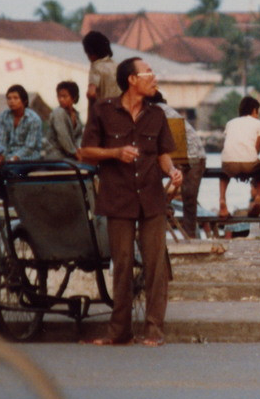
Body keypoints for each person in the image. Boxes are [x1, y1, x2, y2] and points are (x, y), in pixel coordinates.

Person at [81, 57, 182, 346]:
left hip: (151, 198)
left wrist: (173, 172)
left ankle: (154, 330)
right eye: (148, 73)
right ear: (131, 80)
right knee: (122, 264)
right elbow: (86, 151)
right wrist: (115, 153)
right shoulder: (102, 110)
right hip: (118, 198)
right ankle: (119, 332)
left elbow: (163, 155)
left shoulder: (157, 115)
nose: (154, 78)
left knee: (156, 265)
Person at [147, 90, 207, 238]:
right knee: (189, 200)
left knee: (188, 198)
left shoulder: (156, 111)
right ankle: (190, 236)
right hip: (193, 156)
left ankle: (161, 232)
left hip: (189, 156)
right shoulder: (164, 109)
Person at [219, 96, 260, 220]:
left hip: (229, 162)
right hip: (249, 163)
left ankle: (222, 201)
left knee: (223, 174)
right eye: (257, 111)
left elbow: (229, 144)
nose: (258, 115)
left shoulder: (230, 123)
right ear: (254, 110)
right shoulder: (259, 124)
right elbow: (256, 150)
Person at [82, 31, 121, 117]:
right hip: (119, 113)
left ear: (91, 52)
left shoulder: (96, 67)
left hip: (104, 114)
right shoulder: (117, 66)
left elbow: (91, 93)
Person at [43, 81, 84, 161]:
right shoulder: (58, 113)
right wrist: (76, 154)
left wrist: (79, 150)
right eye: (59, 96)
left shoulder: (76, 114)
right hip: (56, 155)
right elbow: (63, 137)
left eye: (64, 96)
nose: (61, 99)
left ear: (73, 98)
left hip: (70, 154)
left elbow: (79, 136)